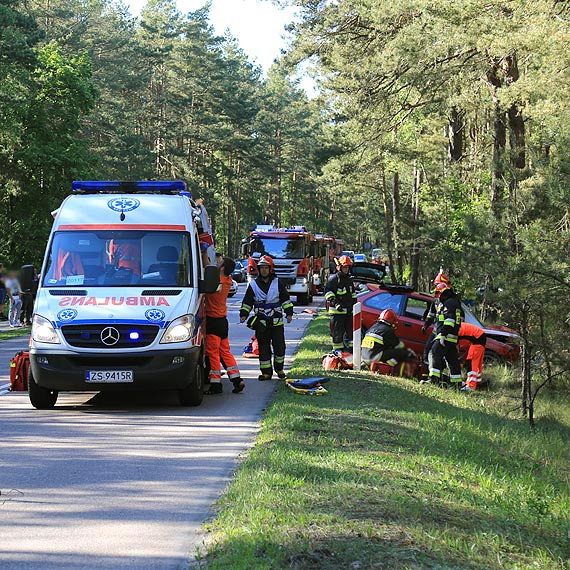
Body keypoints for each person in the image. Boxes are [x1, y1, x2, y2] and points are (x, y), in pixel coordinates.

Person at [240, 255, 294, 381]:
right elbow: (247, 302)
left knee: (279, 347)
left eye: (266, 267)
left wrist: (289, 313)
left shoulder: (277, 283)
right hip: (261, 323)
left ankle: (279, 369)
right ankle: (266, 373)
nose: (264, 270)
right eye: (262, 268)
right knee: (263, 348)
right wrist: (244, 314)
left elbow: (285, 300)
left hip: (276, 322)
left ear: (271, 269)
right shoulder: (253, 285)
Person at [205, 257, 243, 394]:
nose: (217, 263)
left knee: (213, 353)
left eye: (219, 263)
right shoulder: (228, 281)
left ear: (222, 268)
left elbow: (208, 268)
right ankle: (237, 380)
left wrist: (204, 253)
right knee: (225, 352)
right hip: (222, 322)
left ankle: (216, 384)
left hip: (213, 321)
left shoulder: (217, 282)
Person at [424, 281, 462, 385]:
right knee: (452, 359)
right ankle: (457, 383)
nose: (436, 296)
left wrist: (443, 335)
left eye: (437, 293)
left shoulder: (449, 303)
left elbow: (450, 321)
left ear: (443, 293)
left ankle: (433, 380)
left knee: (434, 353)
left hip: (446, 335)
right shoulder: (453, 302)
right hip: (452, 336)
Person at [324, 255, 357, 352]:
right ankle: (338, 352)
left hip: (348, 312)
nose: (346, 269)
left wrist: (354, 306)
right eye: (344, 267)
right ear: (340, 267)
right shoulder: (334, 279)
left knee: (351, 333)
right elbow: (328, 292)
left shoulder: (349, 280)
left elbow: (353, 295)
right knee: (337, 333)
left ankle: (352, 351)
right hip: (337, 313)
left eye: (347, 267)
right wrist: (336, 304)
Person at [458, 322, 486, 391]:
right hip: (480, 336)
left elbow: (456, 348)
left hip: (477, 338)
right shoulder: (458, 325)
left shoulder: (453, 331)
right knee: (477, 363)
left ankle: (471, 386)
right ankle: (477, 382)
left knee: (471, 362)